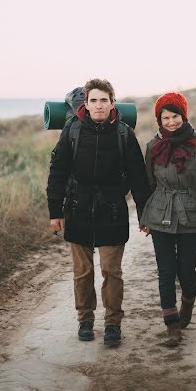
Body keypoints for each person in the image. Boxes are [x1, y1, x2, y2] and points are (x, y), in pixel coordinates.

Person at [47, 79, 149, 347]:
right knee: (82, 272)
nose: (99, 105)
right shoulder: (72, 131)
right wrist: (54, 212)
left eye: (104, 100)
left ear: (112, 103)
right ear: (86, 104)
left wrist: (144, 214)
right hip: (78, 209)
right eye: (93, 100)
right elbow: (57, 172)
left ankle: (113, 323)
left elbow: (139, 177)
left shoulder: (125, 134)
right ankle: (85, 320)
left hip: (112, 211)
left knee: (111, 271)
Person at [140, 91, 196, 345]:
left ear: (183, 116)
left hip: (192, 216)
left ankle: (187, 304)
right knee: (165, 271)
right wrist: (145, 217)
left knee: (185, 269)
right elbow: (147, 186)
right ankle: (172, 326)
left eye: (175, 116)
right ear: (159, 120)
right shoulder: (153, 146)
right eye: (165, 117)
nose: (171, 122)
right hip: (160, 213)